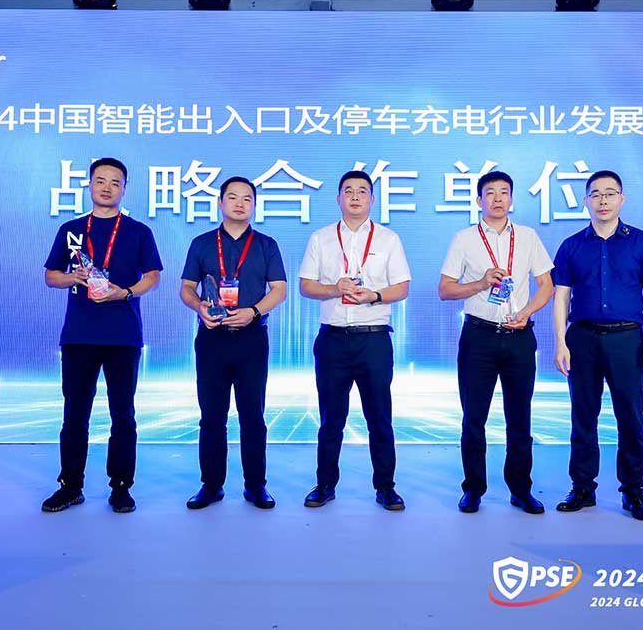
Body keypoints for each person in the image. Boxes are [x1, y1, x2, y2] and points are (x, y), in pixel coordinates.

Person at [551, 169, 643, 521]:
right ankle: (582, 488)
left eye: (609, 193)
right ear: (586, 200)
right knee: (583, 415)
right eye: (595, 194)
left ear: (622, 198)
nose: (602, 200)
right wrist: (560, 341)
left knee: (630, 416)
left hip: (627, 339)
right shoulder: (572, 245)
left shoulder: (642, 242)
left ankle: (634, 491)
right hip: (583, 339)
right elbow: (561, 296)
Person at [42, 157, 162, 513]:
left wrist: (124, 292)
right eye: (100, 181)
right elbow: (51, 276)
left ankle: (121, 487)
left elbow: (152, 277)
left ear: (124, 189)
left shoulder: (138, 232)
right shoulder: (71, 230)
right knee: (74, 413)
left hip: (123, 334)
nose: (107, 187)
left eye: (115, 182)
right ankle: (70, 485)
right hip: (79, 334)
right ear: (90, 185)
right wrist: (73, 278)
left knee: (122, 414)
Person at [439, 171, 554, 514]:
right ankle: (473, 489)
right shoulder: (464, 239)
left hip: (519, 336)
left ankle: (521, 490)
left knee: (520, 418)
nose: (498, 198)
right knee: (474, 418)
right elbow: (445, 289)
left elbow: (546, 285)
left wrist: (527, 312)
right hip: (479, 337)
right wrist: (480, 282)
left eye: (504, 192)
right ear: (479, 200)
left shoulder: (528, 237)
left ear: (512, 199)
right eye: (490, 193)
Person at [298, 170, 411, 511]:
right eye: (349, 191)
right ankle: (325, 485)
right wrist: (335, 288)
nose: (356, 196)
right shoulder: (321, 238)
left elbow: (402, 287)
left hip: (373, 339)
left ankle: (386, 487)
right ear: (338, 199)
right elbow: (306, 286)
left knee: (379, 418)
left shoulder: (388, 239)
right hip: (332, 339)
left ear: (372, 199)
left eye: (363, 191)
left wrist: (374, 295)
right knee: (331, 419)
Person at [179, 176, 287, 510]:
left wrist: (253, 312)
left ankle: (256, 486)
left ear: (254, 205)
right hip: (212, 337)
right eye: (233, 197)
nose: (240, 204)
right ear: (220, 203)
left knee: (252, 415)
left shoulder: (266, 244)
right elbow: (187, 288)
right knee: (212, 416)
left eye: (247, 199)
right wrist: (199, 307)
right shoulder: (201, 243)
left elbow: (279, 289)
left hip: (252, 339)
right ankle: (211, 485)